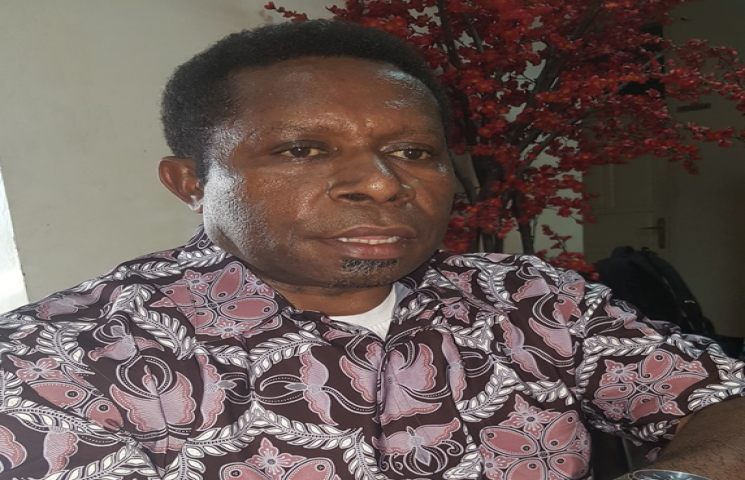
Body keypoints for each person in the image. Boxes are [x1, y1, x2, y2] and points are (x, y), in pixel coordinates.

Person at [0, 20, 742, 480]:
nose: (383, 183)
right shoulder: (56, 362)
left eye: (413, 152)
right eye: (302, 150)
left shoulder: (529, 298)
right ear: (191, 182)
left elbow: (719, 398)